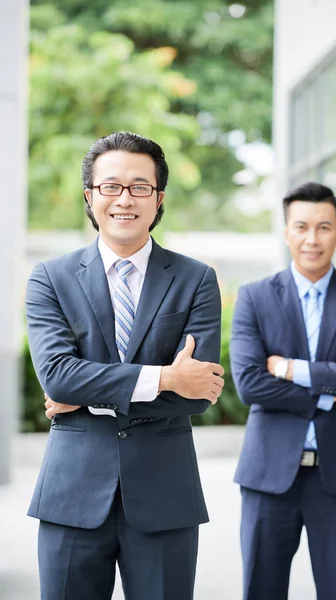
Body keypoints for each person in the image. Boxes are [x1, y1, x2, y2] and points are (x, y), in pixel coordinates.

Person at [25, 131, 224, 600]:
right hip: (71, 492)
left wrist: (85, 392)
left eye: (140, 187)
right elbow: (56, 375)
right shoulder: (50, 278)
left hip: (164, 493)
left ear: (159, 200)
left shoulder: (196, 279)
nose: (124, 199)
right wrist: (165, 376)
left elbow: (199, 393)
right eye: (111, 186)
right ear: (90, 197)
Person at [230, 182, 336, 600]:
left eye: (324, 227)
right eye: (301, 226)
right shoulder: (254, 297)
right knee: (261, 590)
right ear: (286, 231)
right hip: (269, 476)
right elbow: (249, 384)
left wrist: (288, 368)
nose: (312, 238)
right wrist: (331, 386)